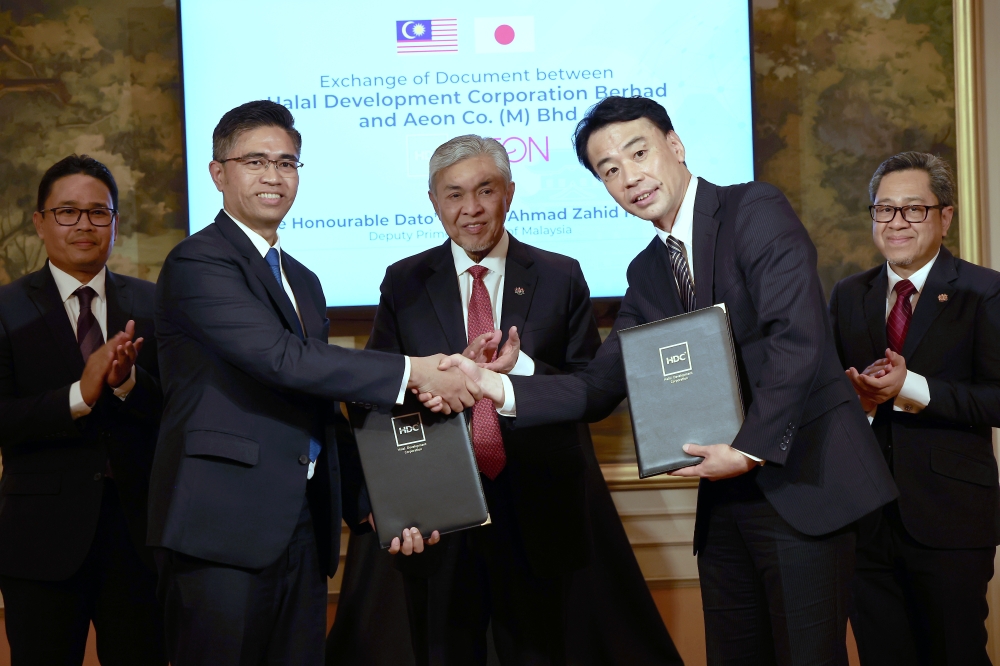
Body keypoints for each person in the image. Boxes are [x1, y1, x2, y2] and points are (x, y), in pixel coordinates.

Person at [433, 97, 899, 665]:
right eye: (609, 170)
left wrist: (749, 451)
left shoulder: (753, 209)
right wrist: (495, 383)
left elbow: (796, 340)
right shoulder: (648, 269)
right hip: (726, 499)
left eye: (638, 152)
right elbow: (598, 385)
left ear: (674, 147)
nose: (629, 177)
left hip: (803, 481)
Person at [327, 135, 683, 666]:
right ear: (433, 203)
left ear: (509, 194)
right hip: (441, 515)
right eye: (453, 195)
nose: (470, 209)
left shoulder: (560, 274)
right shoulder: (403, 282)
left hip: (540, 509)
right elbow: (378, 394)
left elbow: (590, 387)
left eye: (485, 190)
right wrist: (435, 384)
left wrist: (520, 371)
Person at [148, 100, 480, 665]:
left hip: (302, 524)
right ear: (218, 173)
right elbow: (281, 359)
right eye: (256, 161)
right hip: (222, 528)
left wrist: (375, 500)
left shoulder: (302, 278)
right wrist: (413, 370)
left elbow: (318, 398)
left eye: (287, 162)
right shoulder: (197, 262)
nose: (274, 176)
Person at [829, 152, 1000, 665]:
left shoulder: (983, 290)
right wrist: (856, 402)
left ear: (945, 216)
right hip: (865, 518)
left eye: (913, 210)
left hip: (949, 520)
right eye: (885, 210)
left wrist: (914, 388)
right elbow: (831, 396)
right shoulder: (847, 294)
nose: (896, 222)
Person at [0, 155, 165, 664]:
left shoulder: (155, 304)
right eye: (67, 212)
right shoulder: (6, 309)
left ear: (115, 223)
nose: (84, 225)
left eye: (99, 213)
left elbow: (180, 412)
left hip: (138, 537)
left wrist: (127, 383)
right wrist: (81, 394)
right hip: (40, 540)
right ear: (40, 222)